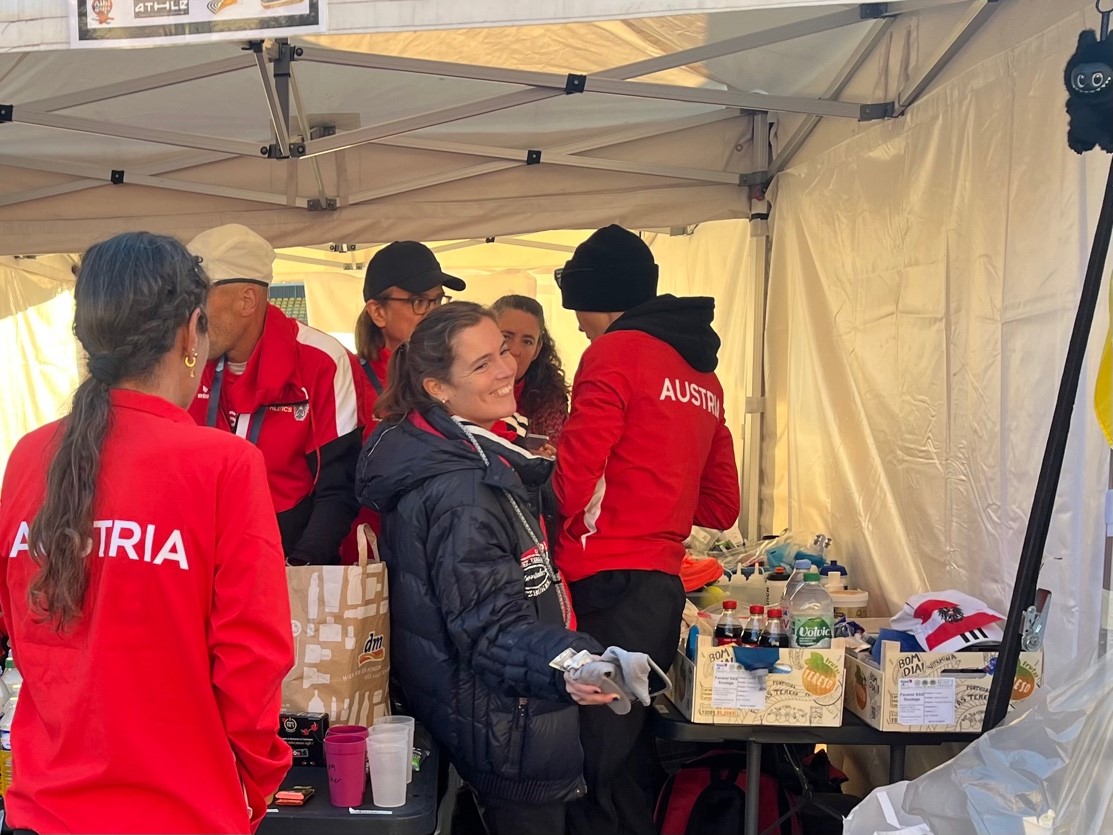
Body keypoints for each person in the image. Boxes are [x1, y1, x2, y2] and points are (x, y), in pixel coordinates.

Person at [0, 232, 293, 834]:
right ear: (191, 332)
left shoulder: (29, 456)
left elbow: (20, 624)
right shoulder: (224, 464)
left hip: (45, 807)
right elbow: (253, 658)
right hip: (181, 810)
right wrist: (254, 782)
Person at [355, 302, 617, 835]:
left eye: (502, 351)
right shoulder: (463, 489)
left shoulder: (469, 455)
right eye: (482, 364)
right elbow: (490, 629)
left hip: (489, 717)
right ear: (437, 389)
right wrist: (574, 663)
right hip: (504, 725)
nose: (506, 368)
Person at [554, 225, 741, 835]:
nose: (579, 324)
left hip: (599, 578)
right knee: (629, 751)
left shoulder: (613, 354)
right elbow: (722, 506)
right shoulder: (704, 376)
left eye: (579, 308)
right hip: (660, 588)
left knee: (591, 760)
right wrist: (660, 495)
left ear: (598, 297)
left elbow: (572, 482)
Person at [187, 223, 370, 566]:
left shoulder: (321, 361)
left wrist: (300, 566)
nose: (189, 314)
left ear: (247, 300)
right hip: (203, 562)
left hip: (290, 567)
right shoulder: (184, 357)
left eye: (198, 297)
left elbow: (337, 487)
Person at [354, 240, 466, 400]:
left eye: (438, 300)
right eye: (419, 301)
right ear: (378, 312)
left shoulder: (454, 370)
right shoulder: (350, 380)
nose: (433, 312)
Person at [491, 295, 571, 446]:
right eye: (506, 337)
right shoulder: (460, 384)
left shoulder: (550, 399)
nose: (515, 351)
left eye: (527, 342)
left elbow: (555, 450)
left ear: (537, 350)